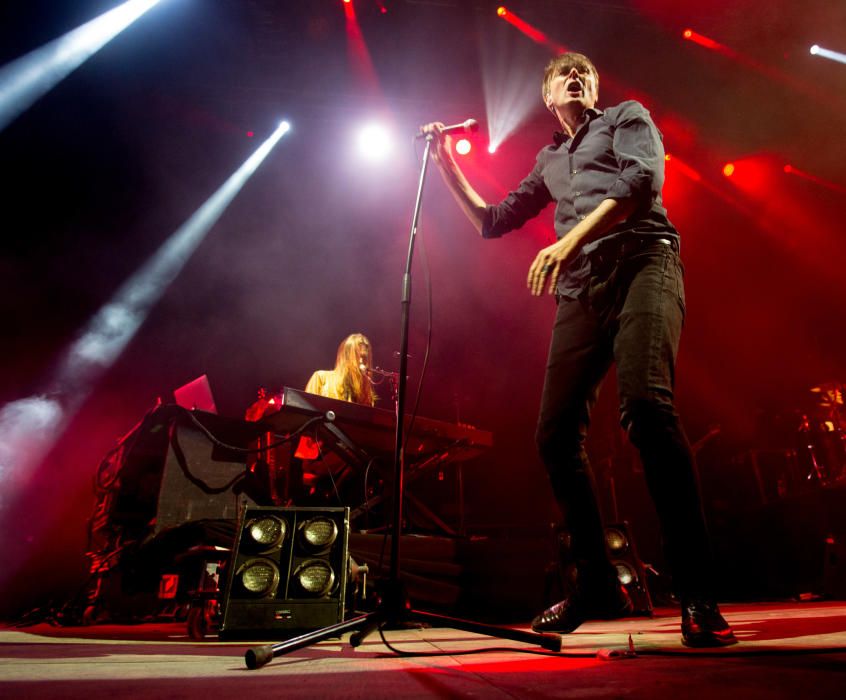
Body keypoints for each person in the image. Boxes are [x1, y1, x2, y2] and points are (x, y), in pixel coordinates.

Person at [421, 52, 736, 647]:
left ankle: (698, 593)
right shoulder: (549, 159)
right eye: (564, 73)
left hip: (644, 261)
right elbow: (494, 220)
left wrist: (566, 242)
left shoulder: (626, 117)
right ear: (547, 94)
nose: (576, 77)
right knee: (554, 434)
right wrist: (444, 165)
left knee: (645, 408)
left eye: (584, 71)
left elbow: (643, 182)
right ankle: (595, 582)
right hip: (582, 288)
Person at [305, 333, 376, 407]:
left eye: (364, 357)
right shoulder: (321, 378)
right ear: (346, 356)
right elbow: (307, 411)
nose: (361, 361)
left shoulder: (366, 393)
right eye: (357, 356)